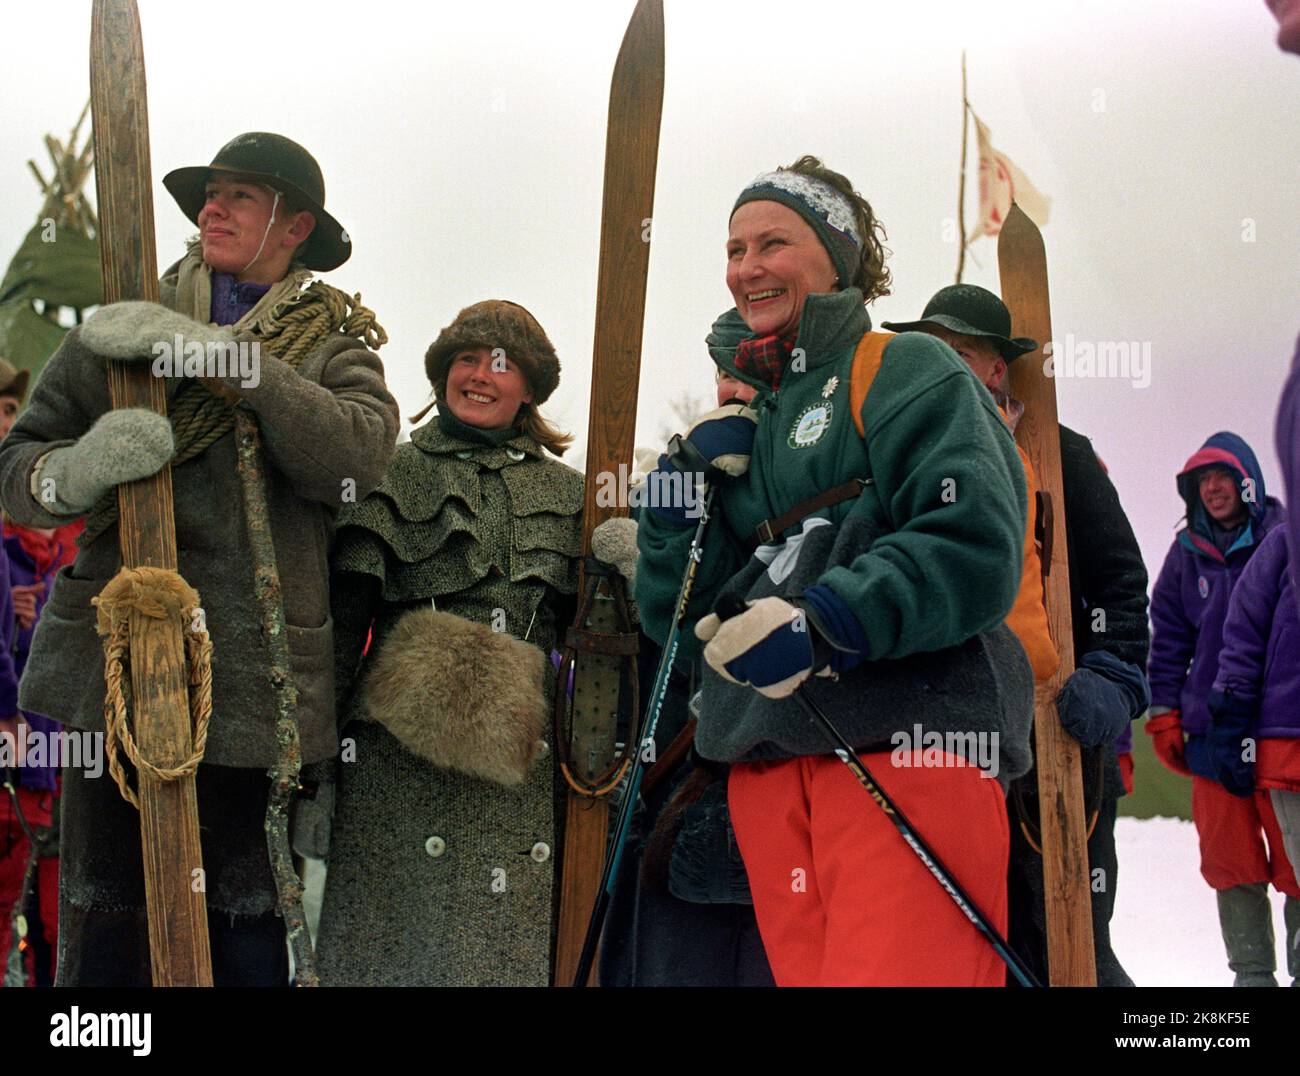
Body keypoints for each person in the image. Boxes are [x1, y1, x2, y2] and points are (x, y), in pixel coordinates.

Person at [0, 132, 400, 986]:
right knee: (105, 916)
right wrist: (75, 470)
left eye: (241, 196)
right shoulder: (122, 325)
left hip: (252, 683)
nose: (212, 209)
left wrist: (240, 367)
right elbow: (19, 469)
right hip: (112, 665)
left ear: (296, 227)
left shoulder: (331, 344)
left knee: (240, 923)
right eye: (209, 194)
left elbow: (360, 463)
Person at [635, 157, 1034, 986]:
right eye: (735, 247)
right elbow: (683, 618)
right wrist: (676, 500)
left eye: (772, 242)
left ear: (833, 257)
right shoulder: (756, 413)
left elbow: (972, 542)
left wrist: (827, 621)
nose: (747, 267)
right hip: (769, 766)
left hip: (905, 748)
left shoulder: (906, 370)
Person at [882, 285, 1151, 986]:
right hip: (941, 740)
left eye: (961, 353)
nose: (943, 367)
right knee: (962, 944)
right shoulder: (900, 461)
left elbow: (1122, 581)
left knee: (1072, 944)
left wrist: (1115, 673)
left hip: (1053, 738)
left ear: (997, 370)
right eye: (932, 352)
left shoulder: (1060, 455)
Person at [315, 300, 583, 986]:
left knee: (496, 956)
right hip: (393, 765)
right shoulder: (390, 472)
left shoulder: (578, 494)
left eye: (501, 364)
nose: (480, 375)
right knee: (386, 952)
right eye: (465, 359)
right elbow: (341, 632)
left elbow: (599, 645)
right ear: (441, 376)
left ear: (530, 388)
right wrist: (314, 771)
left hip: (517, 770)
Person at [1146, 432, 1297, 986]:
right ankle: (1252, 978)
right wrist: (1164, 712)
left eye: (1222, 477)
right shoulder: (1185, 556)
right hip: (1211, 736)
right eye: (1201, 481)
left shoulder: (1287, 541)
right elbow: (1167, 641)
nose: (1212, 488)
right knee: (1231, 860)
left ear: (1248, 483)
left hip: (1280, 732)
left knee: (1299, 862)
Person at [1206, 524, 1300, 983]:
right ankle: (1254, 977)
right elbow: (1243, 633)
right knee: (1236, 861)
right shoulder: (1285, 541)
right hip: (1289, 749)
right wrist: (1231, 718)